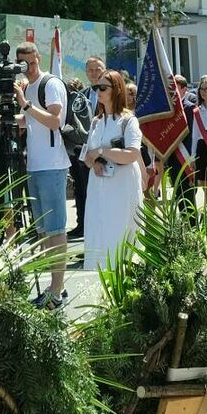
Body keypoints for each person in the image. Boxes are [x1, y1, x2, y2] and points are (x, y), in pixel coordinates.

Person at [14, 42, 70, 310]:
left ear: (38, 57)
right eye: (23, 63)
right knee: (43, 231)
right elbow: (31, 121)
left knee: (56, 230)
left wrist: (25, 107)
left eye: (31, 61)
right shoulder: (28, 86)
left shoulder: (50, 83)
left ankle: (56, 292)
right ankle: (55, 284)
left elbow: (55, 121)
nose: (28, 67)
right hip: (35, 165)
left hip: (52, 164)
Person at [80, 71, 144, 272]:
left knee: (121, 231)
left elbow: (132, 154)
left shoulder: (128, 120)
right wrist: (95, 161)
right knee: (100, 230)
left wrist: (102, 151)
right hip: (99, 186)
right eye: (95, 88)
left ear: (116, 90)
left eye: (102, 88)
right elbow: (87, 154)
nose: (98, 91)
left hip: (122, 185)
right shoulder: (96, 122)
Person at [67, 56, 105, 239]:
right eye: (90, 70)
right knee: (81, 189)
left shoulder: (111, 92)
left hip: (104, 151)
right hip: (83, 150)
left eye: (97, 69)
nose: (94, 73)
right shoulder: (83, 94)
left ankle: (98, 229)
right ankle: (82, 224)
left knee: (99, 192)